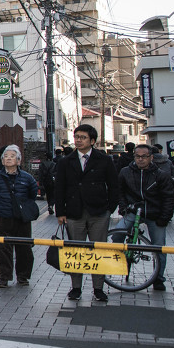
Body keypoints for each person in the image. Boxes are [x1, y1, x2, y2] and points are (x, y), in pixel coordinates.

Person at [54, 123, 120, 302]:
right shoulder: (66, 161)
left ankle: (98, 288)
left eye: (83, 137)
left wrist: (109, 209)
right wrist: (60, 212)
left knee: (98, 250)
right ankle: (76, 287)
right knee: (76, 251)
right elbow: (59, 188)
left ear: (92, 141)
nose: (78, 140)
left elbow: (114, 185)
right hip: (74, 212)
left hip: (99, 212)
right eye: (76, 137)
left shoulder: (104, 160)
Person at [117, 143, 174, 291]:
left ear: (151, 157)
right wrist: (123, 207)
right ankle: (121, 261)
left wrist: (165, 217)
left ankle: (158, 279)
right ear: (134, 156)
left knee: (159, 246)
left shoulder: (161, 175)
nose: (140, 159)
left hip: (154, 213)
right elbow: (120, 191)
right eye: (137, 156)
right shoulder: (125, 172)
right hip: (133, 211)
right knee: (117, 234)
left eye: (144, 156)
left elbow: (169, 197)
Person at [0, 144, 38, 288]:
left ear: (19, 160)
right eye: (6, 157)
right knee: (3, 249)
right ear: (2, 161)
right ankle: (4, 277)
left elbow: (33, 194)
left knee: (24, 248)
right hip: (2, 216)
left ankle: (23, 276)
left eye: (12, 156)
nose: (8, 159)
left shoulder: (27, 178)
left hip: (22, 218)